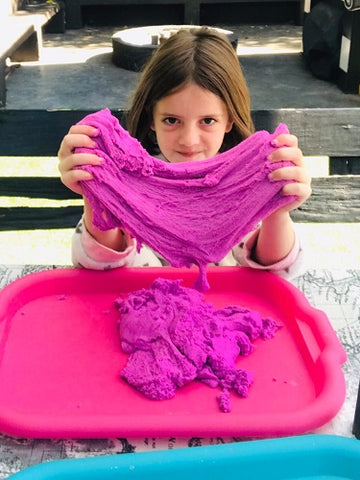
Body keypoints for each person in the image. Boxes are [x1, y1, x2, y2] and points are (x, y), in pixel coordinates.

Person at [58, 27, 311, 277]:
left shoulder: (244, 186)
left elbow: (274, 271)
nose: (189, 141)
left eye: (208, 121)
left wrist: (276, 210)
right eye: (171, 120)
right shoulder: (124, 185)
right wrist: (98, 193)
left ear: (230, 120)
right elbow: (102, 266)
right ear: (152, 118)